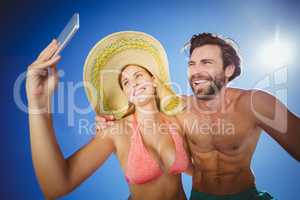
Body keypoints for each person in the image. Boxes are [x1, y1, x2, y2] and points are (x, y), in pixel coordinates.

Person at [97, 33, 300, 200]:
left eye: (206, 63)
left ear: (228, 70)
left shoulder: (255, 103)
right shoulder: (177, 108)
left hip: (246, 196)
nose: (196, 71)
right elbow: (136, 111)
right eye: (192, 64)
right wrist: (106, 119)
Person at [26, 31, 192, 200]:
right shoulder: (117, 131)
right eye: (126, 83)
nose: (133, 83)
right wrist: (37, 104)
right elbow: (56, 186)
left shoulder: (177, 121)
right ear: (126, 95)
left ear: (154, 81)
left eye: (138, 75)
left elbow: (206, 168)